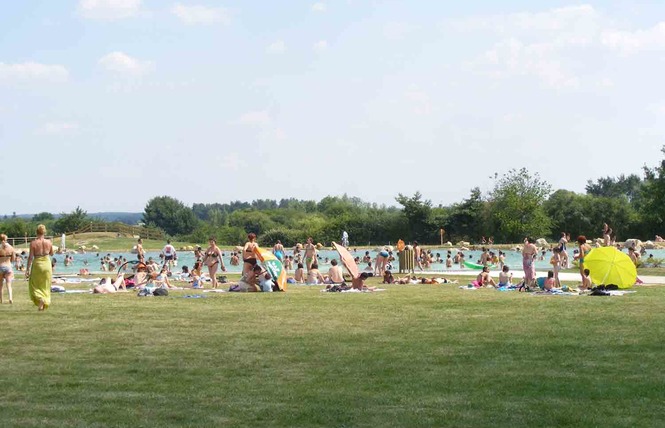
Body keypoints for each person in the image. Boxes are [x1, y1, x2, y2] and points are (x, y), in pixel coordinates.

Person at [25, 224, 54, 311]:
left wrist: (27, 269)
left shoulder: (33, 243)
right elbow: (51, 254)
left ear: (36, 232)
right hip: (46, 264)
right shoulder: (49, 242)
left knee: (34, 284)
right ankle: (44, 299)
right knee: (46, 284)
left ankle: (40, 299)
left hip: (37, 264)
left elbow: (30, 257)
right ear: (44, 232)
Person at [0, 234, 15, 304]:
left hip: (0, 266)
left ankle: (1, 300)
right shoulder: (11, 248)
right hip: (8, 266)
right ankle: (10, 298)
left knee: (0, 284)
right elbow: (13, 259)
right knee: (8, 284)